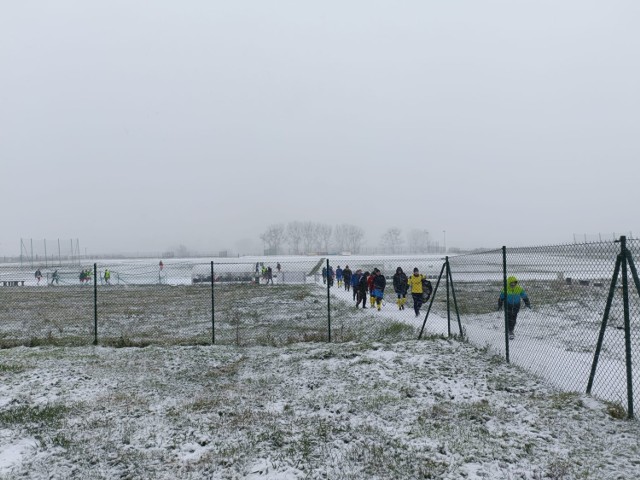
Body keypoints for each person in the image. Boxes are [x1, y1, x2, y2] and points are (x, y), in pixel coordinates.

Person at [498, 276, 531, 340]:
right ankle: (510, 331)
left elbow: (524, 296)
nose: (513, 284)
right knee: (508, 317)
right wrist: (500, 305)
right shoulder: (505, 289)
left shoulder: (519, 289)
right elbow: (501, 298)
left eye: (514, 283)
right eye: (511, 283)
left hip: (516, 306)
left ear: (516, 283)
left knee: (514, 318)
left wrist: (527, 303)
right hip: (508, 305)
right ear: (508, 283)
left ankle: (511, 329)